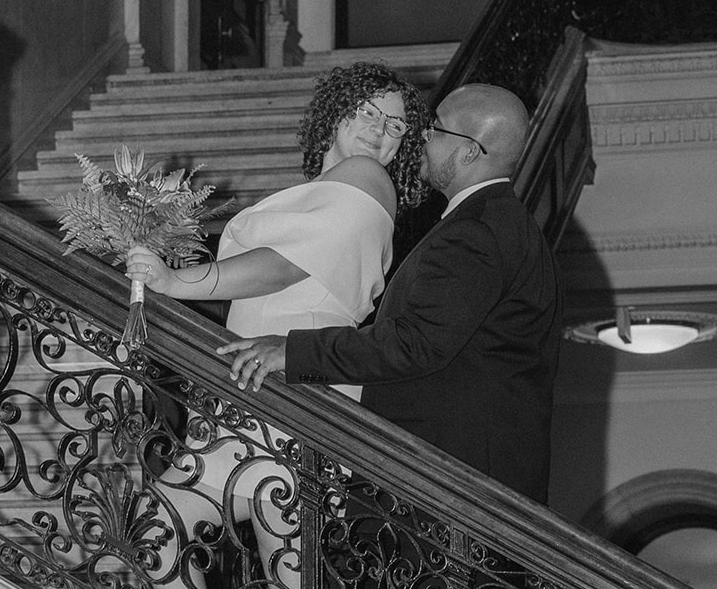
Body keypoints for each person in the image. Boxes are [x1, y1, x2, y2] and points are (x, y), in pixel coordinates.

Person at [123, 61, 431, 589]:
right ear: (336, 113)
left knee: (281, 561)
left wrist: (184, 282)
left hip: (296, 376)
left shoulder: (368, 180)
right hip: (253, 384)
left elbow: (286, 267)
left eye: (398, 127)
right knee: (195, 528)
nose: (382, 134)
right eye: (369, 114)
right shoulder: (327, 188)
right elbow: (266, 271)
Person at [216, 82, 562, 504]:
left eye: (436, 129)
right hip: (464, 477)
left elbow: (416, 342)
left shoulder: (477, 231)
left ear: (470, 151)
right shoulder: (496, 223)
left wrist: (291, 351)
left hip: (458, 487)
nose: (422, 137)